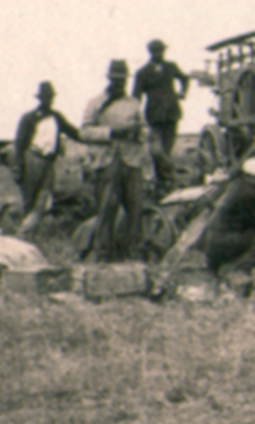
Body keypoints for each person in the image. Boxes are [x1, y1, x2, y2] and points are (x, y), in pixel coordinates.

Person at [77, 59, 152, 262]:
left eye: (122, 80)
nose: (119, 83)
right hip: (107, 162)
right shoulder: (96, 103)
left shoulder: (134, 103)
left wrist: (139, 133)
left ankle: (133, 253)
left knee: (135, 210)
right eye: (116, 79)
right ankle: (103, 254)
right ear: (109, 78)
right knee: (106, 209)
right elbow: (85, 132)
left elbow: (145, 130)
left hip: (132, 161)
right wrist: (112, 132)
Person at [11, 82, 84, 238]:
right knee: (30, 196)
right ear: (40, 99)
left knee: (46, 197)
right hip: (33, 158)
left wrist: (91, 136)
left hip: (49, 161)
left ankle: (32, 229)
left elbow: (72, 132)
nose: (48, 100)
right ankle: (25, 233)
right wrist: (18, 166)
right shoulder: (30, 118)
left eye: (50, 97)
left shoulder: (56, 117)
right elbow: (20, 143)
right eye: (45, 97)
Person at [205, 156, 255, 286]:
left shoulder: (237, 185)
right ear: (248, 176)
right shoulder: (247, 194)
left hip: (215, 238)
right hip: (224, 241)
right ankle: (234, 268)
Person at [135, 40, 191, 193]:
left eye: (161, 51)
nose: (159, 54)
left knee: (167, 149)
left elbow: (185, 78)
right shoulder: (142, 72)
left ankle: (164, 183)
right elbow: (136, 96)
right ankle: (168, 178)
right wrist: (136, 116)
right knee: (156, 151)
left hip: (172, 113)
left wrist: (182, 92)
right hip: (154, 116)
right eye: (156, 51)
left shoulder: (171, 67)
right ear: (150, 52)